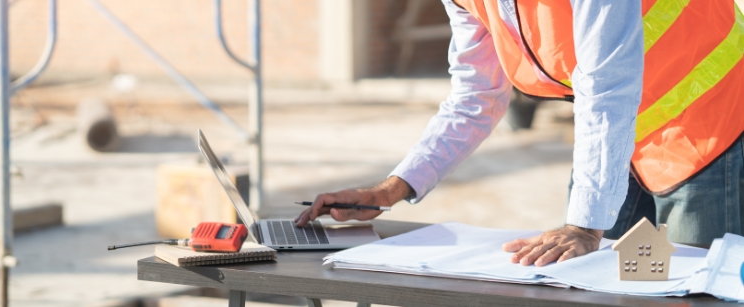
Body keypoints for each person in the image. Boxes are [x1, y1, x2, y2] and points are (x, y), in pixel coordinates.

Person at [296, 0, 744, 266]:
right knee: (585, 282)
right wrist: (394, 187)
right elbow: (477, 95)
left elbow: (607, 85)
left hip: (712, 126)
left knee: (691, 289)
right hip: (622, 141)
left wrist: (584, 225)